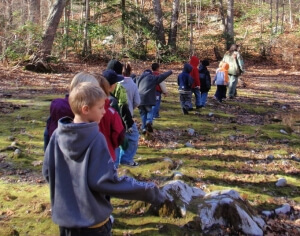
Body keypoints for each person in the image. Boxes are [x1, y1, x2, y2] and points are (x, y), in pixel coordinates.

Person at [43, 82, 167, 236]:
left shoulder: (56, 135)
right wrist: (149, 191)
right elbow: (105, 181)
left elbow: (48, 172)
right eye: (101, 108)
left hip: (65, 222)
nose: (104, 112)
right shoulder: (96, 139)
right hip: (93, 224)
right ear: (85, 109)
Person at [134, 66, 172, 134]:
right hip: (148, 99)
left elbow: (131, 80)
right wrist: (170, 72)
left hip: (140, 99)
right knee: (149, 111)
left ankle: (144, 128)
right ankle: (149, 122)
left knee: (143, 114)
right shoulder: (152, 77)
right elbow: (162, 76)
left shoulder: (138, 78)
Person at [118, 62, 140, 167]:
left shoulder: (115, 84)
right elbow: (137, 101)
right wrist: (131, 108)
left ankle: (120, 158)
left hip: (114, 114)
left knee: (119, 137)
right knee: (133, 137)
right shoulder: (133, 85)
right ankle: (126, 159)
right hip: (127, 116)